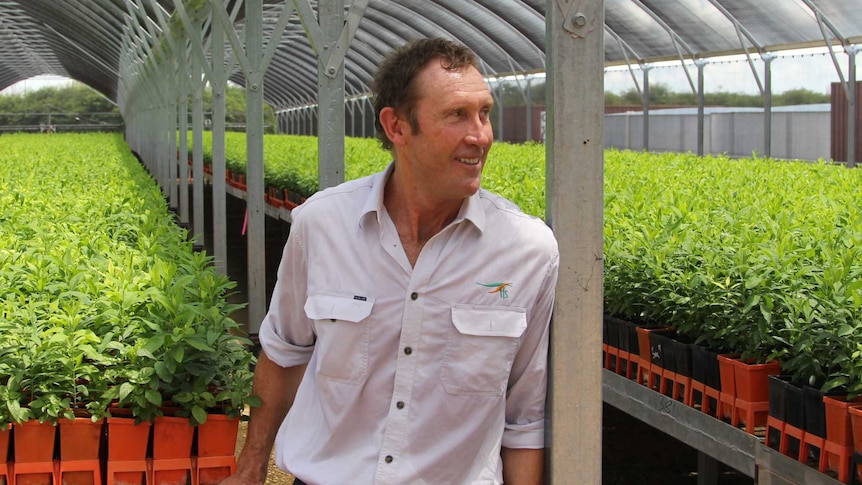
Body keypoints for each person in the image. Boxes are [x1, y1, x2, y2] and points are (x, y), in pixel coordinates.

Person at [224, 37, 559, 485]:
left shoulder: (527, 250)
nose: (480, 135)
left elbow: (524, 416)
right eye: (456, 115)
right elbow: (284, 353)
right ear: (396, 126)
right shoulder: (322, 224)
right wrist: (249, 471)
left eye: (484, 112)